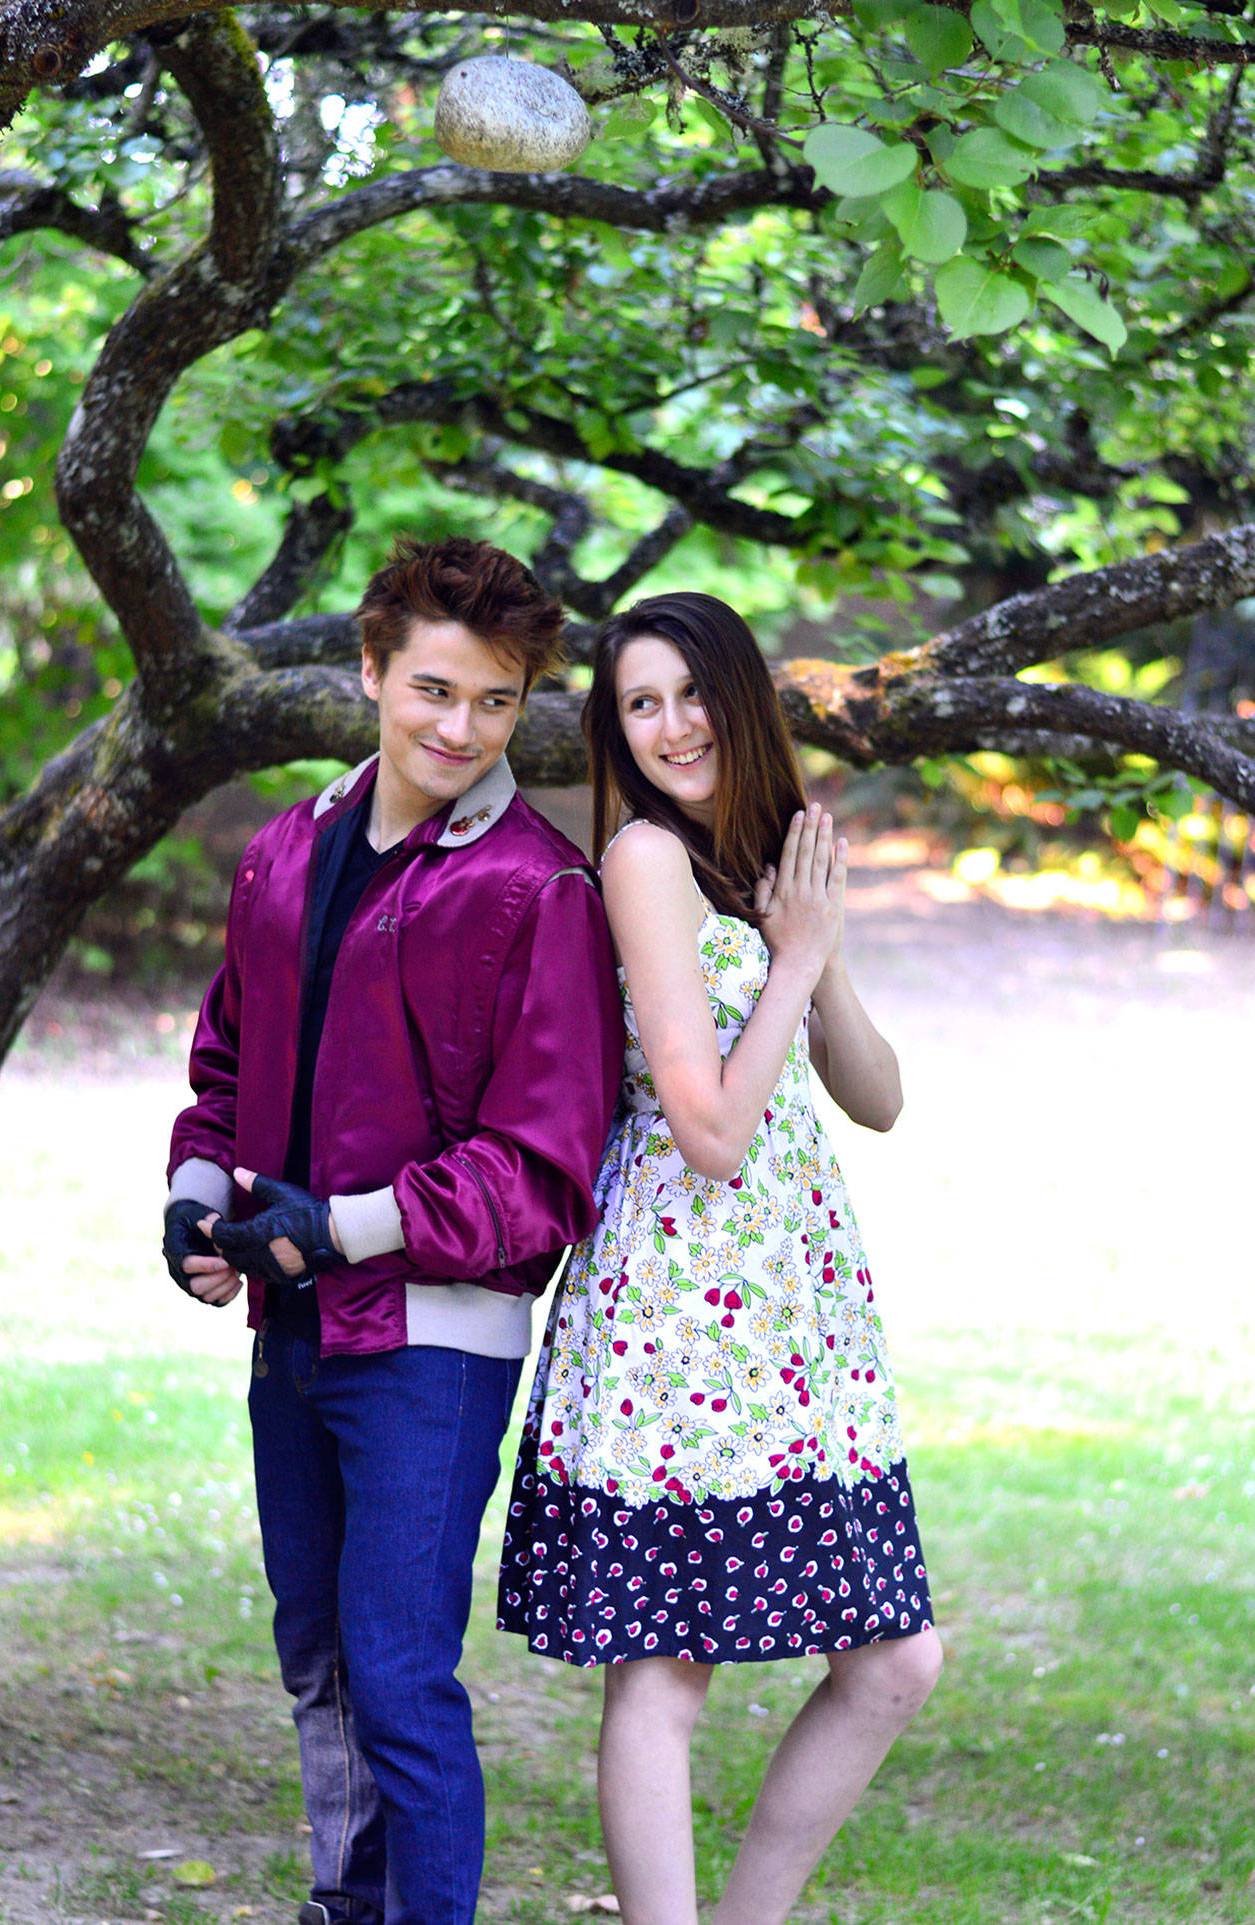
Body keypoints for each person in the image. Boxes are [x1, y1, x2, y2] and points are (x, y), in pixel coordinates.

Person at [161, 536, 624, 1925]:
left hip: (431, 1340)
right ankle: (340, 1904)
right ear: (368, 671)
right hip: (288, 1321)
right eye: (432, 688)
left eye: (495, 702)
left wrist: (339, 1229)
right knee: (318, 1654)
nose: (459, 728)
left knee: (401, 1674)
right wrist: (198, 1202)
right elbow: (226, 1074)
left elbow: (543, 1169)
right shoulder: (283, 851)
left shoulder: (539, 891)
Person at [498, 592, 941, 1925]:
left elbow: (877, 1095)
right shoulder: (642, 858)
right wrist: (795, 956)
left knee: (895, 1657)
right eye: (642, 703)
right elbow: (705, 1126)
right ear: (617, 731)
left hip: (790, 1323)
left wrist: (821, 949)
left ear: (738, 699)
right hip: (682, 1316)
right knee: (666, 1670)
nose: (674, 724)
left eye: (693, 693)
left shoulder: (757, 855)